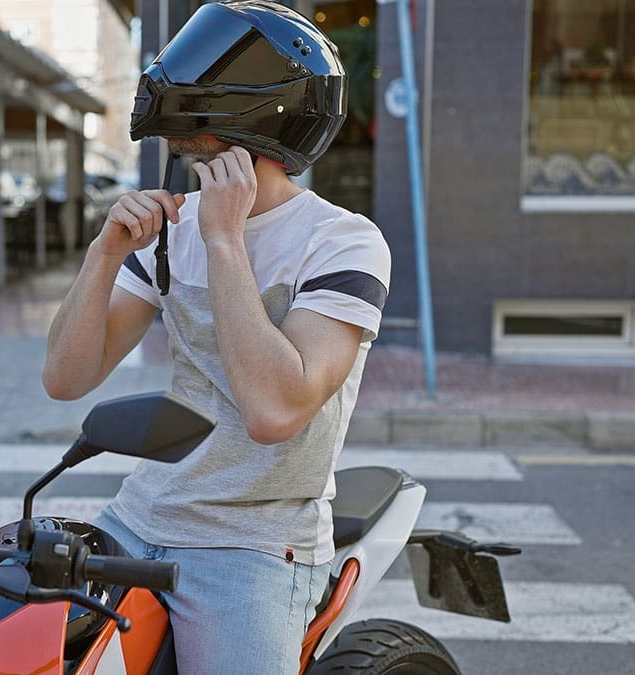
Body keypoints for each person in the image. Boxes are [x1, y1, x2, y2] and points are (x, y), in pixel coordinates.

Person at [42, 2, 391, 673]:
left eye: (189, 142)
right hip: (139, 516)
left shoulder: (341, 241)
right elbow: (65, 378)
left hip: (252, 541)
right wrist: (103, 255)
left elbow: (273, 411)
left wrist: (225, 240)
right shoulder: (170, 229)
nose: (179, 154)